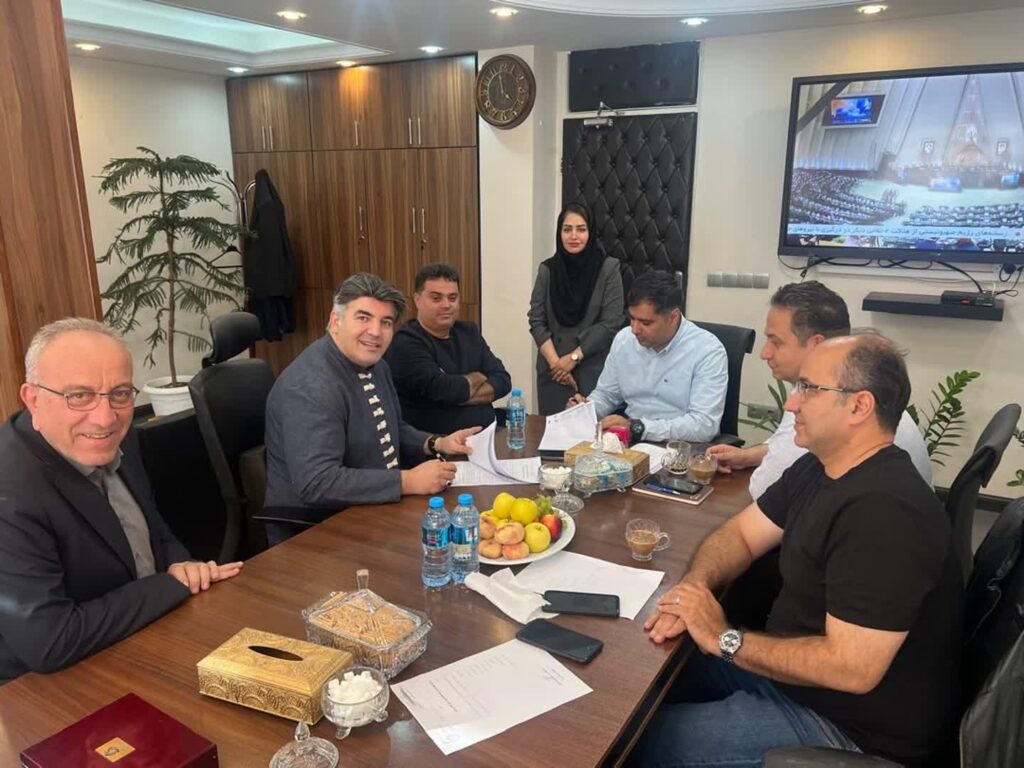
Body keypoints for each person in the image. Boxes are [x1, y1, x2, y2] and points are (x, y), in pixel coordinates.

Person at [635, 335, 962, 767]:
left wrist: (724, 639)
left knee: (638, 742)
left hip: (847, 728)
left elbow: (852, 669)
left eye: (808, 388)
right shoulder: (821, 466)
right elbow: (741, 535)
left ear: (859, 406)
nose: (791, 404)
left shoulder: (886, 513)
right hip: (791, 677)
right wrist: (694, 589)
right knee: (638, 683)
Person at [0, 319, 243, 684]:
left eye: (120, 393)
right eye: (78, 396)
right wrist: (171, 585)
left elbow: (152, 528)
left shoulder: (117, 433)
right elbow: (50, 642)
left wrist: (183, 564)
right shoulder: (10, 492)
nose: (105, 418)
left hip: (142, 635)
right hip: (46, 687)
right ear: (33, 399)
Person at [262, 273, 480, 545]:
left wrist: (436, 443)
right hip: (319, 533)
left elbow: (391, 427)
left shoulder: (375, 365)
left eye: (385, 322)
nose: (375, 332)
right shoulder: (310, 386)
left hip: (373, 508)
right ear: (335, 321)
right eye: (363, 318)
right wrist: (408, 481)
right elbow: (317, 482)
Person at [708, 281, 932, 499]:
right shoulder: (852, 383)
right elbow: (790, 454)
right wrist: (750, 455)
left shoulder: (825, 397)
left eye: (776, 342)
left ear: (816, 344)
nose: (764, 353)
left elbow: (765, 489)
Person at [568, 270, 727, 443]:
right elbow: (607, 395)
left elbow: (704, 426)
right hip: (629, 440)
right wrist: (586, 409)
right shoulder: (624, 339)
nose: (635, 329)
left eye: (645, 322)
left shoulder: (707, 350)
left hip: (679, 446)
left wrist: (638, 428)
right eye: (632, 318)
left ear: (673, 317)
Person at [387, 263, 511, 434]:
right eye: (436, 298)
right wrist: (479, 377)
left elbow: (503, 380)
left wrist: (458, 395)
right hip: (436, 444)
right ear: (417, 300)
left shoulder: (469, 332)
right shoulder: (406, 342)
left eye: (452, 298)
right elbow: (444, 390)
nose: (446, 305)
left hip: (487, 436)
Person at [529, 202, 624, 415]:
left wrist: (572, 359)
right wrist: (557, 365)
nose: (574, 236)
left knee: (591, 433)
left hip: (592, 371)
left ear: (591, 232)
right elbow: (536, 319)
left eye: (581, 229)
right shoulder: (547, 270)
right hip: (553, 374)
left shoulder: (608, 269)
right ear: (559, 233)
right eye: (567, 229)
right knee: (552, 432)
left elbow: (611, 323)